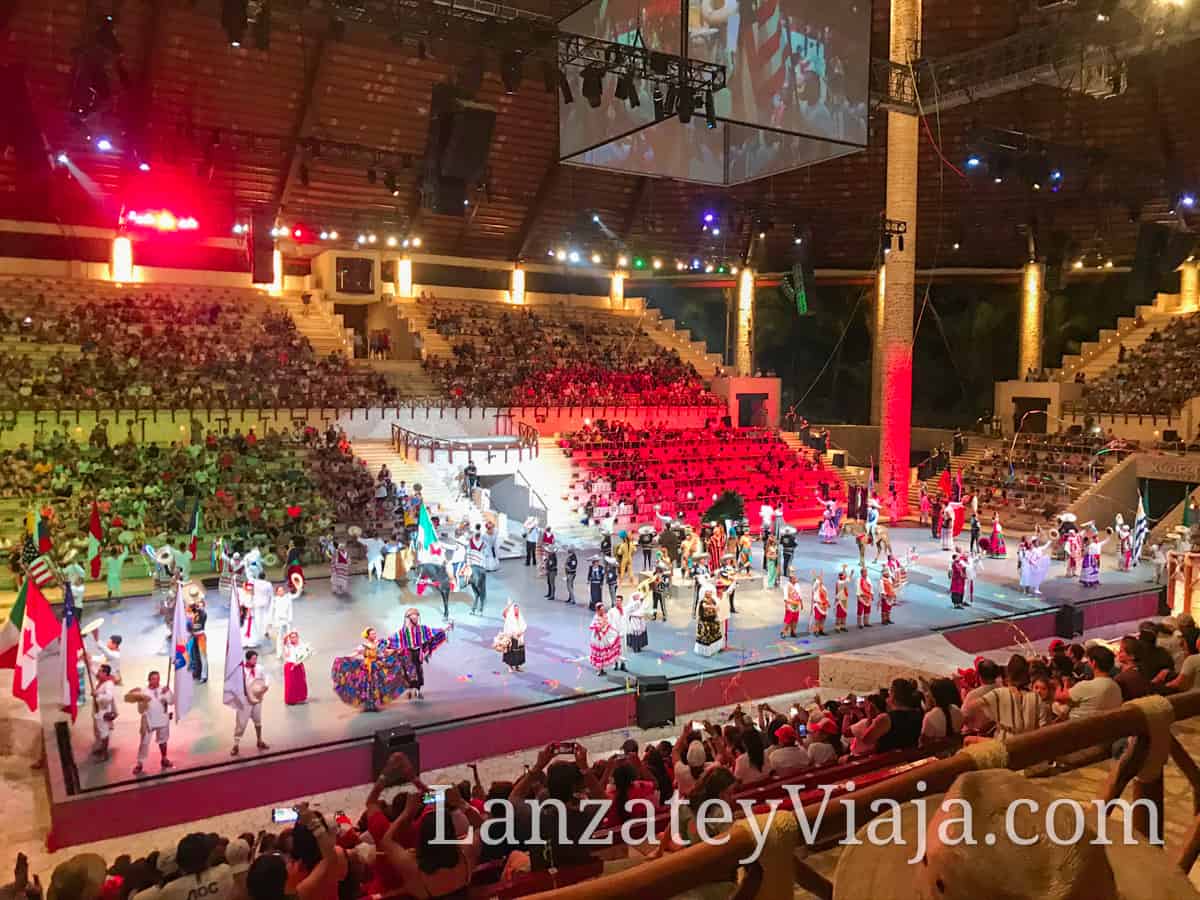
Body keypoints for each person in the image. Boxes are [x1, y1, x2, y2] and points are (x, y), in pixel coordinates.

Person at [380, 787, 483, 899]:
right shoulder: (466, 856)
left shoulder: (412, 868)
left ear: (423, 836)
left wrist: (407, 812)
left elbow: (386, 840)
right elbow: (480, 826)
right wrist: (460, 802)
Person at [331, 627, 409, 711]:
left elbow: (386, 652)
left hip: (376, 666)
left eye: (375, 633)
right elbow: (356, 654)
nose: (374, 635)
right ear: (368, 636)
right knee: (366, 686)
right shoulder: (363, 646)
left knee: (377, 685)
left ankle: (375, 704)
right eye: (372, 634)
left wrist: (396, 651)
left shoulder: (378, 644)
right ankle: (368, 705)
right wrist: (344, 658)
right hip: (366, 668)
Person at [393, 608, 449, 700]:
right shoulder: (403, 632)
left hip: (418, 653)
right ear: (408, 619)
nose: (415, 619)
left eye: (416, 617)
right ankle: (410, 691)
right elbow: (395, 640)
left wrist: (444, 629)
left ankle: (418, 691)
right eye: (413, 617)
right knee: (408, 672)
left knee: (419, 671)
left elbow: (433, 632)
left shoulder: (422, 629)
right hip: (407, 654)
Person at [128, 670, 173, 775]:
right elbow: (140, 710)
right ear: (149, 680)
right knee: (144, 743)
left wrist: (168, 692)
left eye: (157, 679)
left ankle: (164, 759)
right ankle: (140, 764)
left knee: (163, 741)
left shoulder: (164, 689)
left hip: (163, 721)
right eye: (153, 679)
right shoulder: (143, 691)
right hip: (149, 722)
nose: (156, 681)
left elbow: (171, 701)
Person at [230, 649, 270, 756]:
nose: (255, 660)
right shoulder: (241, 670)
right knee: (241, 724)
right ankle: (236, 745)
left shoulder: (260, 668)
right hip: (245, 701)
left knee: (258, 721)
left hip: (257, 699)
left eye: (256, 658)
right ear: (248, 659)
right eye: (253, 658)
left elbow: (266, 677)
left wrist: (265, 686)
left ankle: (259, 740)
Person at [920, 677, 963, 746]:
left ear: (933, 696)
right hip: (954, 746)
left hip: (937, 751)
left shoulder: (930, 717)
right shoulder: (957, 710)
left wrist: (927, 708)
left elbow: (924, 742)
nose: (928, 694)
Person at [91, 664, 117, 761]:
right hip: (98, 711)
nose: (98, 673)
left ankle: (105, 753)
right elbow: (94, 673)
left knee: (104, 733)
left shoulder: (108, 684)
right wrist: (89, 664)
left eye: (101, 671)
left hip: (103, 711)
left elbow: (109, 697)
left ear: (105, 673)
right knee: (100, 731)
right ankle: (102, 749)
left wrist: (97, 695)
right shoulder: (101, 681)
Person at [271, 574, 302, 657]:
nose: (281, 592)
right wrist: (271, 622)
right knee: (279, 638)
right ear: (277, 592)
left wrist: (299, 588)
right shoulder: (274, 599)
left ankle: (289, 652)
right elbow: (272, 611)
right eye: (279, 591)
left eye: (282, 590)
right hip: (279, 621)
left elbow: (296, 595)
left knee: (288, 636)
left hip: (287, 620)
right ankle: (279, 653)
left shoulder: (288, 596)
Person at [588, 603, 621, 675]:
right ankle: (599, 669)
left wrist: (615, 631)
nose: (603, 611)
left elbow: (608, 625)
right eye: (601, 610)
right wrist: (603, 624)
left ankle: (602, 669)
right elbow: (596, 627)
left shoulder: (605, 616)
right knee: (599, 653)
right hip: (598, 637)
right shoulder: (596, 617)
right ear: (598, 610)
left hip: (604, 636)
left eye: (603, 609)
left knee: (604, 653)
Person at [496, 600, 527, 673]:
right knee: (511, 652)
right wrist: (509, 605)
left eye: (517, 609)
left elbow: (524, 625)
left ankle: (517, 666)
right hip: (511, 637)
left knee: (519, 652)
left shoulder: (520, 617)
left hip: (519, 637)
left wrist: (521, 632)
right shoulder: (509, 617)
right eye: (515, 609)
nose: (517, 610)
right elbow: (503, 613)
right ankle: (510, 666)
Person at [694, 588, 724, 657]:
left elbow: (717, 609)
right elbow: (705, 606)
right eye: (708, 592)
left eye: (710, 592)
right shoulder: (702, 601)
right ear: (704, 593)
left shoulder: (713, 600)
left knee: (716, 633)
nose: (709, 593)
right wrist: (713, 607)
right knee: (706, 635)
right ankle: (705, 652)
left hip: (713, 620)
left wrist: (716, 615)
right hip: (705, 621)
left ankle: (715, 649)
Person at [781, 573, 803, 638]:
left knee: (795, 620)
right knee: (788, 620)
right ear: (791, 579)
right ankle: (783, 632)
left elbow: (799, 595)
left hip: (796, 605)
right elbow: (785, 598)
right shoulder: (787, 586)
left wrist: (801, 603)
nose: (796, 579)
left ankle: (793, 632)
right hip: (790, 605)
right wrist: (786, 605)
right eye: (794, 578)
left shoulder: (797, 585)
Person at [833, 565, 850, 633]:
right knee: (839, 614)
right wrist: (850, 574)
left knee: (844, 614)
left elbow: (846, 579)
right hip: (840, 600)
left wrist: (844, 569)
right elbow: (847, 580)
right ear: (840, 576)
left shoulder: (843, 582)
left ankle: (843, 626)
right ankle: (837, 627)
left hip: (844, 600)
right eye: (842, 575)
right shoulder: (839, 582)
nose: (844, 576)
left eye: (843, 575)